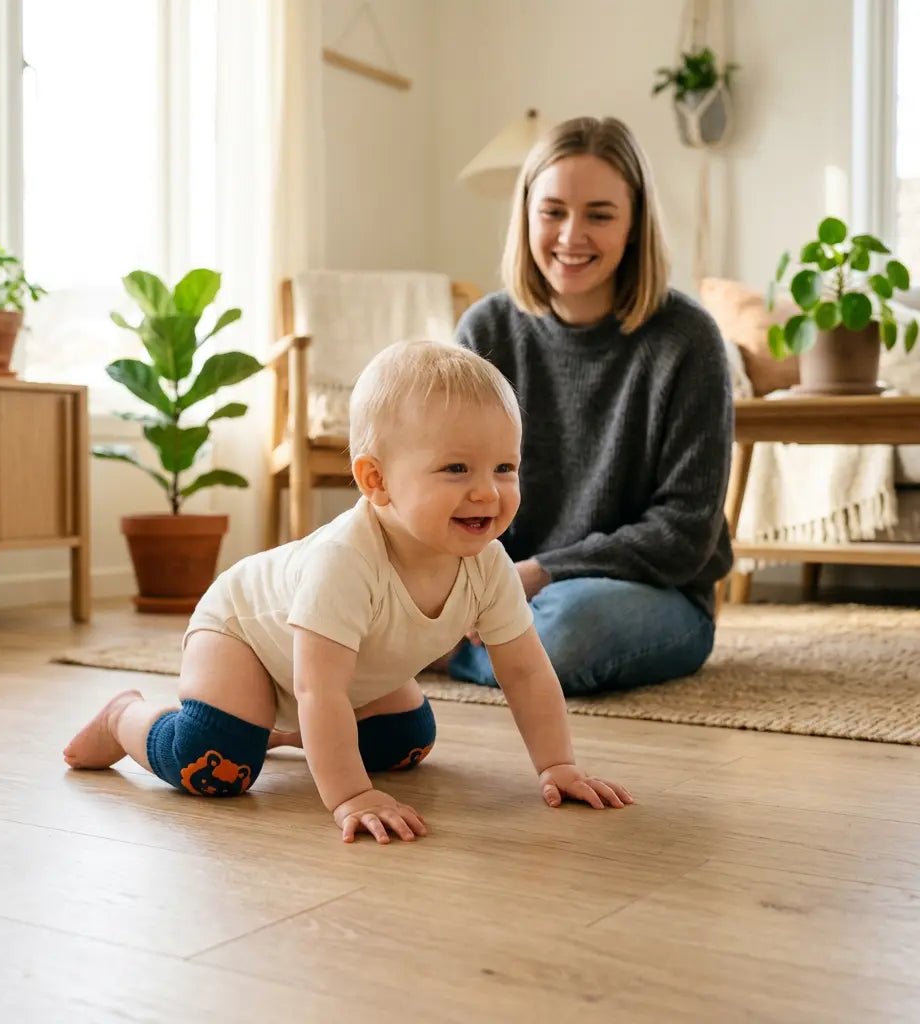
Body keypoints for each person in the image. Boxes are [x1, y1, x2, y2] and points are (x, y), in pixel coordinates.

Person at [63, 341, 633, 844]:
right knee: (215, 766)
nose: (487, 491)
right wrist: (349, 797)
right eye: (457, 468)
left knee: (405, 744)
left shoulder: (489, 565)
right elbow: (318, 688)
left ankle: (275, 728)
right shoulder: (345, 562)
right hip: (244, 634)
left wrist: (557, 765)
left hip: (335, 673)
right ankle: (126, 716)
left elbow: (527, 674)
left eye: (504, 467)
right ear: (375, 480)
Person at [447, 115, 733, 697]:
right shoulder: (486, 329)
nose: (571, 236)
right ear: (527, 215)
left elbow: (683, 532)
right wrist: (480, 587)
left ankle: (444, 652)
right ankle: (460, 639)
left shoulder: (689, 340)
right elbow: (445, 484)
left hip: (648, 593)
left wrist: (538, 573)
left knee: (568, 630)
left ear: (634, 226)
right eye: (553, 211)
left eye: (599, 215)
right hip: (498, 588)